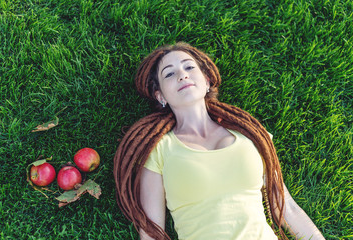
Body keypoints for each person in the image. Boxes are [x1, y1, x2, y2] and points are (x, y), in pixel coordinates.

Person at [113, 42, 325, 240]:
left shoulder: (250, 134)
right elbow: (152, 231)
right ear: (161, 97)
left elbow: (286, 207)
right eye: (169, 73)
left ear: (206, 81)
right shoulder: (159, 149)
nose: (182, 75)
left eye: (189, 67)